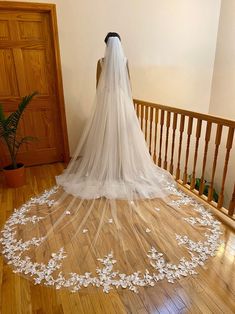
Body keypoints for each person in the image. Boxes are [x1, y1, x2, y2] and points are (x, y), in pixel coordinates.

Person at [0, 33, 222, 294]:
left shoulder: (99, 62)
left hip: (107, 106)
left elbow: (98, 87)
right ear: (120, 45)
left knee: (106, 141)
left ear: (106, 45)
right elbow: (129, 87)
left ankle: (110, 170)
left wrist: (105, 104)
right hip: (123, 106)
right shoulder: (125, 62)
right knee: (125, 142)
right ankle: (123, 170)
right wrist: (125, 104)